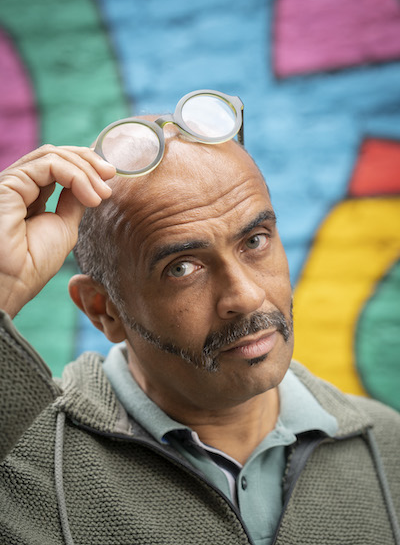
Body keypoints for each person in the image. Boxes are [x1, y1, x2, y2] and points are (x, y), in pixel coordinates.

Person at [0, 90, 399, 545]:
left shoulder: (386, 446)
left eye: (255, 241)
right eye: (182, 267)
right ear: (102, 309)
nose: (246, 298)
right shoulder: (19, 466)